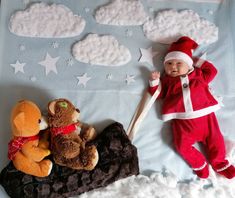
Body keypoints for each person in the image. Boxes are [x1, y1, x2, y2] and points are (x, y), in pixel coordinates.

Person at [148, 36, 235, 179]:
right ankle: (199, 164)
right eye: (169, 63)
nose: (173, 67)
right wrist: (154, 81)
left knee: (216, 141)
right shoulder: (168, 82)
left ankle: (220, 163)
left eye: (178, 63)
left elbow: (212, 71)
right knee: (182, 146)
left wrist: (194, 60)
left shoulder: (198, 76)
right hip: (182, 123)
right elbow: (158, 94)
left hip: (206, 119)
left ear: (189, 65)